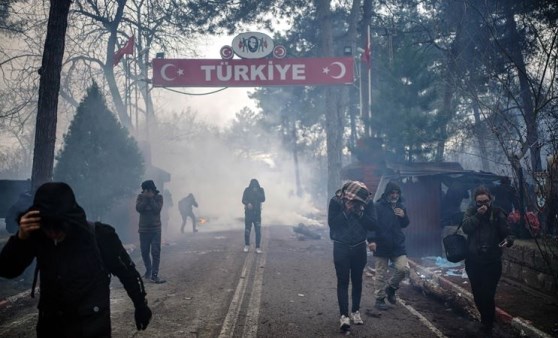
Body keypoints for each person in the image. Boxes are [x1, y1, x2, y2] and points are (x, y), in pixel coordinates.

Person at [0, 182, 152, 337]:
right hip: (51, 327)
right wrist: (21, 239)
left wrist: (140, 304)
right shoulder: (38, 237)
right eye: (47, 226)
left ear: (70, 219)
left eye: (58, 226)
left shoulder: (99, 236)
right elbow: (7, 270)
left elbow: (127, 272)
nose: (53, 233)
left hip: (91, 328)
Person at [462, 185, 514, 337]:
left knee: (488, 294)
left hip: (492, 262)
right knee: (478, 294)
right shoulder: (471, 212)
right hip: (473, 261)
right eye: (479, 202)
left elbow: (508, 232)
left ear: (490, 200)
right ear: (475, 202)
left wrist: (508, 241)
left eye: (486, 201)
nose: (483, 204)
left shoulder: (497, 213)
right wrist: (478, 215)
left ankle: (487, 324)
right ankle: (486, 321)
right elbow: (466, 228)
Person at [328, 181, 377, 332]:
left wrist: (360, 213)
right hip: (340, 245)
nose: (354, 203)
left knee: (357, 280)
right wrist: (346, 212)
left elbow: (373, 224)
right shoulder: (335, 201)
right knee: (343, 281)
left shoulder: (367, 203)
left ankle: (355, 311)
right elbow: (332, 224)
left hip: (359, 246)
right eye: (352, 200)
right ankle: (344, 316)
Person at [368, 181, 410, 311]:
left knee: (404, 269)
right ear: (387, 193)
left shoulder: (401, 206)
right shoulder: (378, 206)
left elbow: (405, 224)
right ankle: (379, 299)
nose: (394, 195)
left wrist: (403, 216)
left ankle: (391, 288)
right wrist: (371, 240)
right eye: (392, 193)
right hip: (382, 244)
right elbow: (371, 225)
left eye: (397, 193)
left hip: (397, 244)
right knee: (381, 273)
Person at [136, 180, 166, 283]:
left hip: (155, 229)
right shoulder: (140, 197)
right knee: (144, 252)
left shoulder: (158, 197)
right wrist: (145, 199)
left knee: (155, 252)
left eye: (147, 189)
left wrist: (151, 198)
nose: (146, 191)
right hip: (143, 230)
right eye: (144, 190)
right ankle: (148, 270)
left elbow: (157, 209)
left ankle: (154, 274)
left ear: (152, 189)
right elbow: (139, 208)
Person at [440, 182, 469, 258]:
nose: (460, 199)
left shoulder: (455, 205)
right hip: (448, 227)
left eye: (460, 196)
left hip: (453, 226)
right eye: (459, 196)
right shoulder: (446, 204)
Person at [242, 179, 265, 253]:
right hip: (248, 214)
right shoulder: (247, 190)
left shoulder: (261, 190)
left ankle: (257, 247)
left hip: (257, 214)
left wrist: (257, 193)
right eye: (253, 185)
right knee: (247, 230)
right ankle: (246, 245)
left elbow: (263, 199)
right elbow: (243, 200)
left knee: (258, 231)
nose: (254, 186)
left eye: (255, 185)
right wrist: (248, 203)